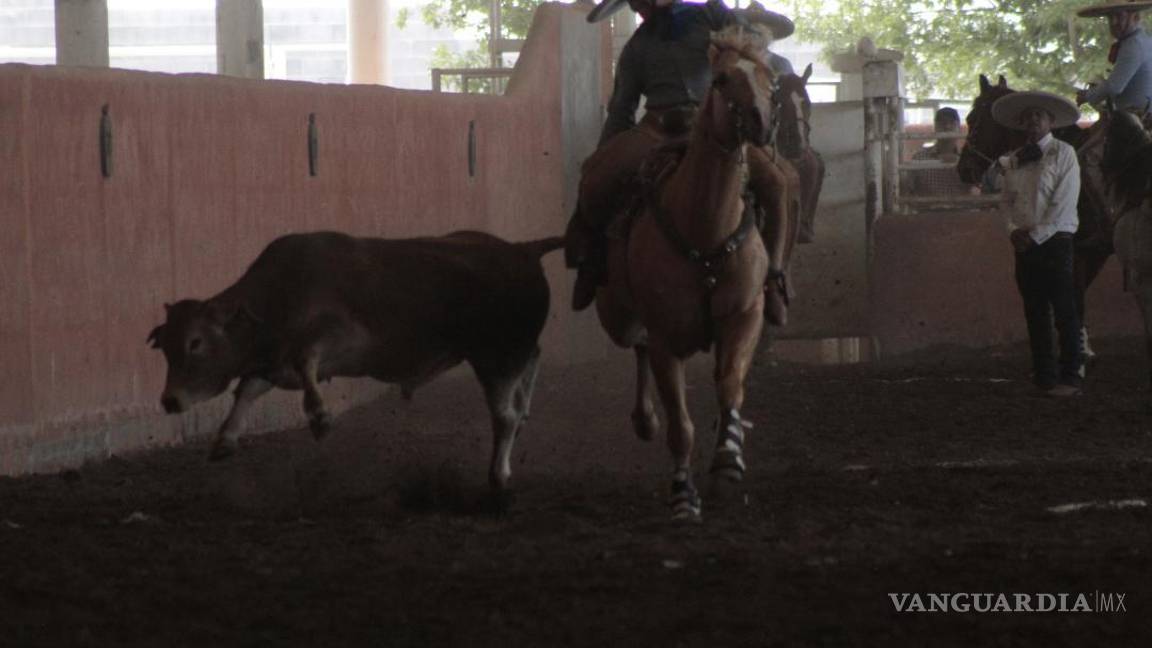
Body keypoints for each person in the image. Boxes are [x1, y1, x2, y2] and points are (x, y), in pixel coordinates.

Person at [567, 0, 796, 325]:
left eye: (640, 2)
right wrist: (606, 151)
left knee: (776, 183)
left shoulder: (713, 16)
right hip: (656, 129)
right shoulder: (638, 44)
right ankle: (592, 262)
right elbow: (622, 108)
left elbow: (752, 51)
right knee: (594, 177)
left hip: (715, 125)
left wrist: (735, 51)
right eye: (634, 3)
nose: (637, 8)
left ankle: (774, 278)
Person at [991, 90, 1084, 397]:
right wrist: (1013, 231)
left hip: (1055, 241)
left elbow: (1064, 203)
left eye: (1038, 116)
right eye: (1027, 117)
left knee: (1064, 310)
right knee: (1035, 311)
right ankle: (1044, 374)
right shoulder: (1014, 160)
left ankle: (1071, 376)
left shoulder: (1065, 153)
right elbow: (1005, 202)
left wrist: (1035, 235)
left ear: (1050, 121)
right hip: (1024, 242)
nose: (1032, 121)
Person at [904, 107, 972, 197]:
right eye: (942, 123)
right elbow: (908, 190)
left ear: (959, 128)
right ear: (935, 127)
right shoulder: (919, 158)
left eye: (952, 122)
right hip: (928, 210)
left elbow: (978, 188)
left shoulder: (969, 159)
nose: (947, 126)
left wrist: (960, 162)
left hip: (962, 210)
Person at [735, 1, 795, 76]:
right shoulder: (730, 60)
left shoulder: (781, 63)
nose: (752, 33)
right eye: (749, 26)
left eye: (761, 24)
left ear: (770, 33)